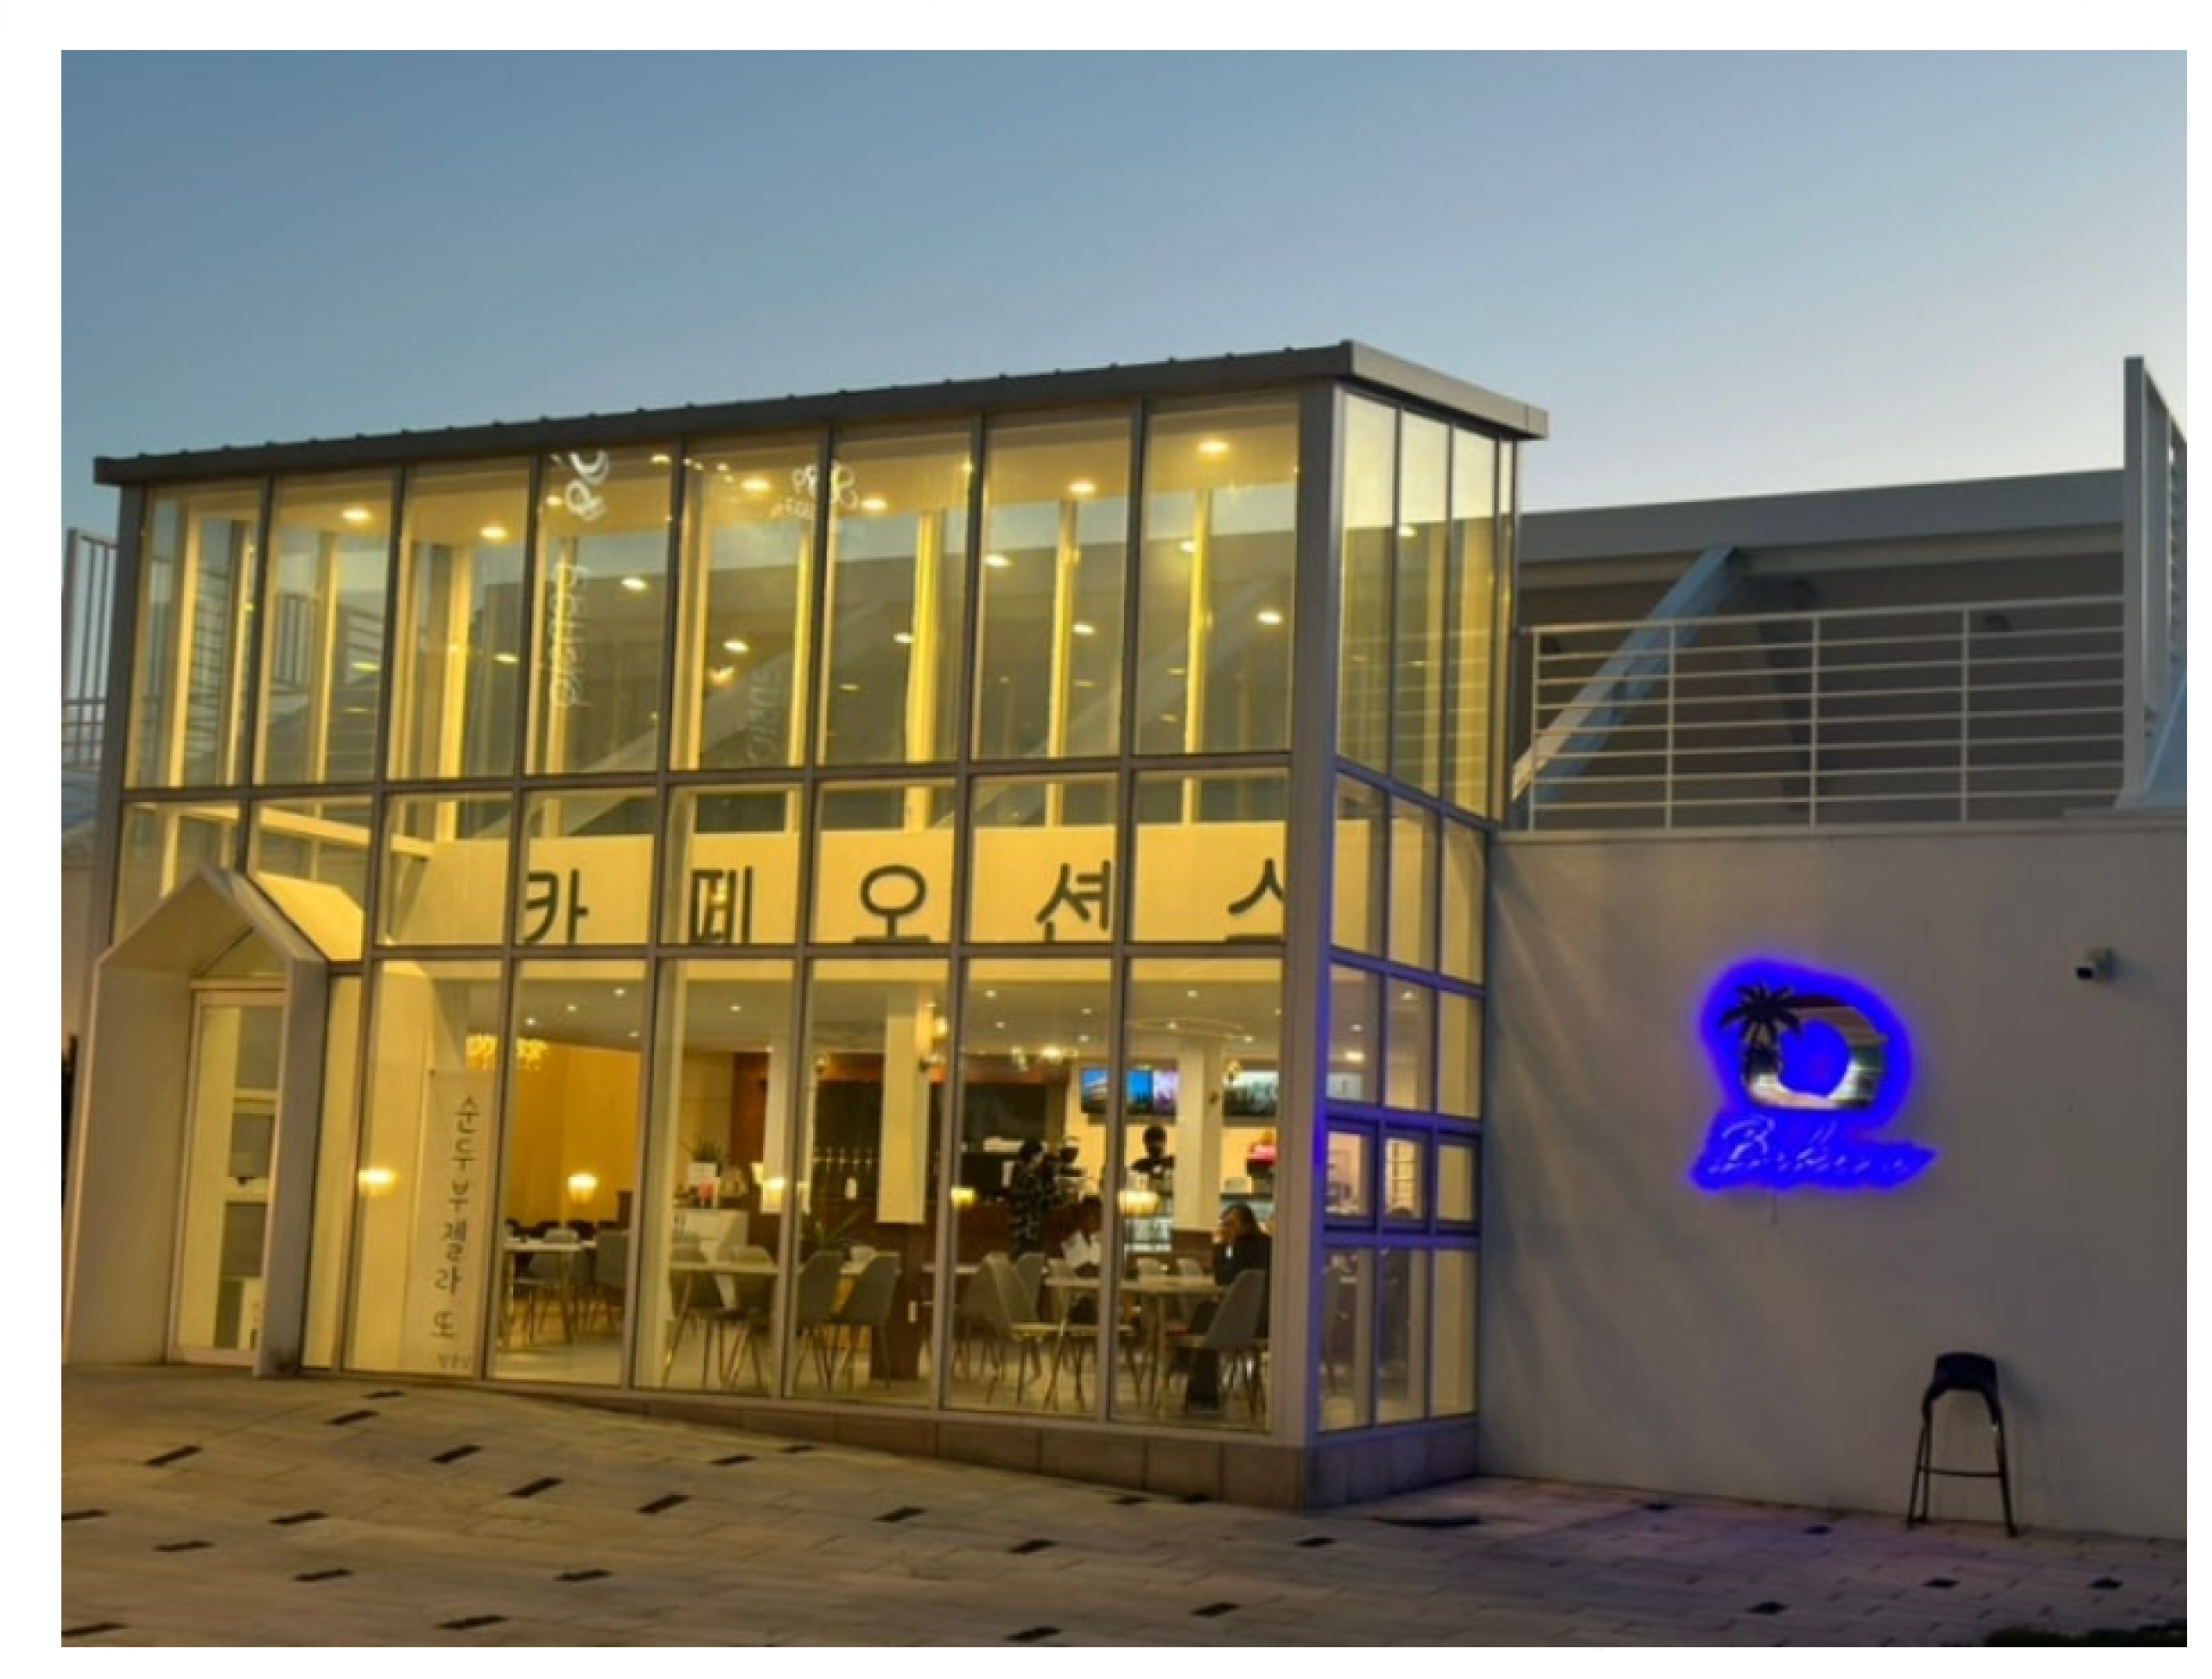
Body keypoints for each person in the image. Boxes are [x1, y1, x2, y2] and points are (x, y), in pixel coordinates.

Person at [1184, 1201, 1272, 1415]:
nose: (1226, 1228)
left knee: (1205, 1318)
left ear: (1246, 1225)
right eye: (1225, 1224)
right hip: (1267, 1318)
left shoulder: (1244, 1247)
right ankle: (1194, 1374)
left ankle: (1198, 1383)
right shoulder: (1268, 1245)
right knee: (1206, 1313)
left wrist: (1219, 1246)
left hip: (1249, 1323)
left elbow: (1224, 1279)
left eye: (1231, 1224)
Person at [1007, 1138, 1061, 1257]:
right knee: (1029, 1261)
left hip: (1020, 1229)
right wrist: (1053, 1183)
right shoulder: (1028, 1177)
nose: (1042, 1159)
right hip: (1028, 1230)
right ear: (1033, 1156)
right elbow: (1045, 1203)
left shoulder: (1019, 1172)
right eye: (1041, 1156)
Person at [1130, 1123, 1175, 1190]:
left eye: (1156, 1142)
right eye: (1151, 1143)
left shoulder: (1173, 1162)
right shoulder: (1138, 1166)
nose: (1154, 1145)